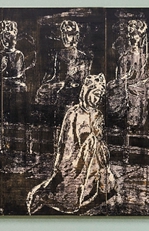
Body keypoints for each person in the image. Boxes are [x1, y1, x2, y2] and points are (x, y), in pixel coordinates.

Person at [27, 73, 116, 215]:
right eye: (95, 95)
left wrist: (95, 148)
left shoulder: (97, 115)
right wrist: (62, 162)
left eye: (99, 96)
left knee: (100, 185)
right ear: (86, 92)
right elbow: (65, 141)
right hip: (73, 157)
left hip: (92, 158)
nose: (97, 99)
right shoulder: (73, 113)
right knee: (66, 189)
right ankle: (42, 196)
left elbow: (98, 138)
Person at [107, 17, 149, 132]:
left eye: (135, 35)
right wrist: (122, 81)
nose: (133, 38)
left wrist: (148, 84)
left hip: (141, 89)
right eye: (130, 35)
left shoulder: (146, 57)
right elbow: (121, 76)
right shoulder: (125, 57)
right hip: (128, 88)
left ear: (140, 37)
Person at [34, 20, 92, 116]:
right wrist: (50, 84)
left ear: (76, 36)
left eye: (68, 34)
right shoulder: (60, 54)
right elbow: (55, 76)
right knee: (43, 91)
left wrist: (67, 83)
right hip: (60, 86)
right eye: (63, 34)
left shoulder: (83, 57)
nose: (65, 38)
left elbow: (83, 80)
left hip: (74, 89)